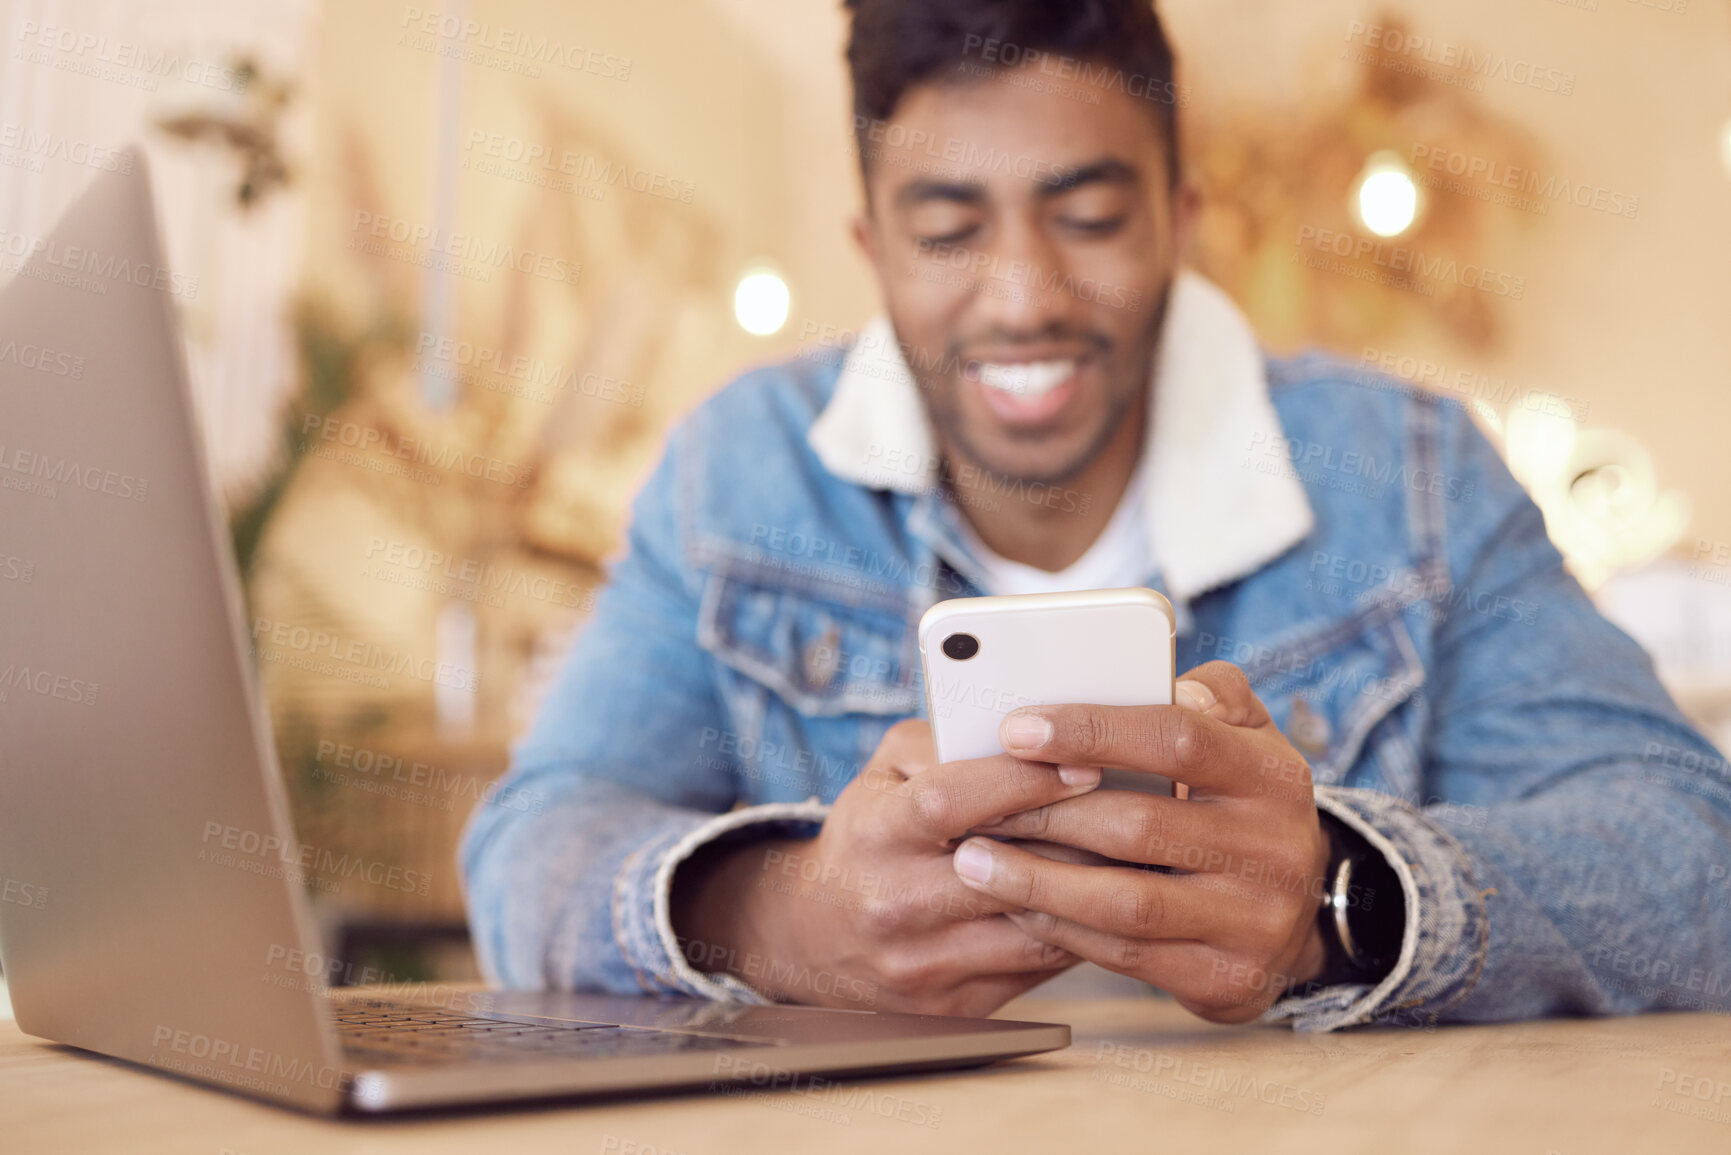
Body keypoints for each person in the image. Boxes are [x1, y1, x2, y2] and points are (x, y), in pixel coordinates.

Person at [460, 0, 1731, 1031]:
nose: (1024, 296)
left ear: (1180, 221)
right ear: (873, 246)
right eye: (949, 228)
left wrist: (1339, 906)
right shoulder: (742, 470)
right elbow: (532, 847)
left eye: (1089, 216)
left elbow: (1693, 864)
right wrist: (786, 919)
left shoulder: (1413, 478)